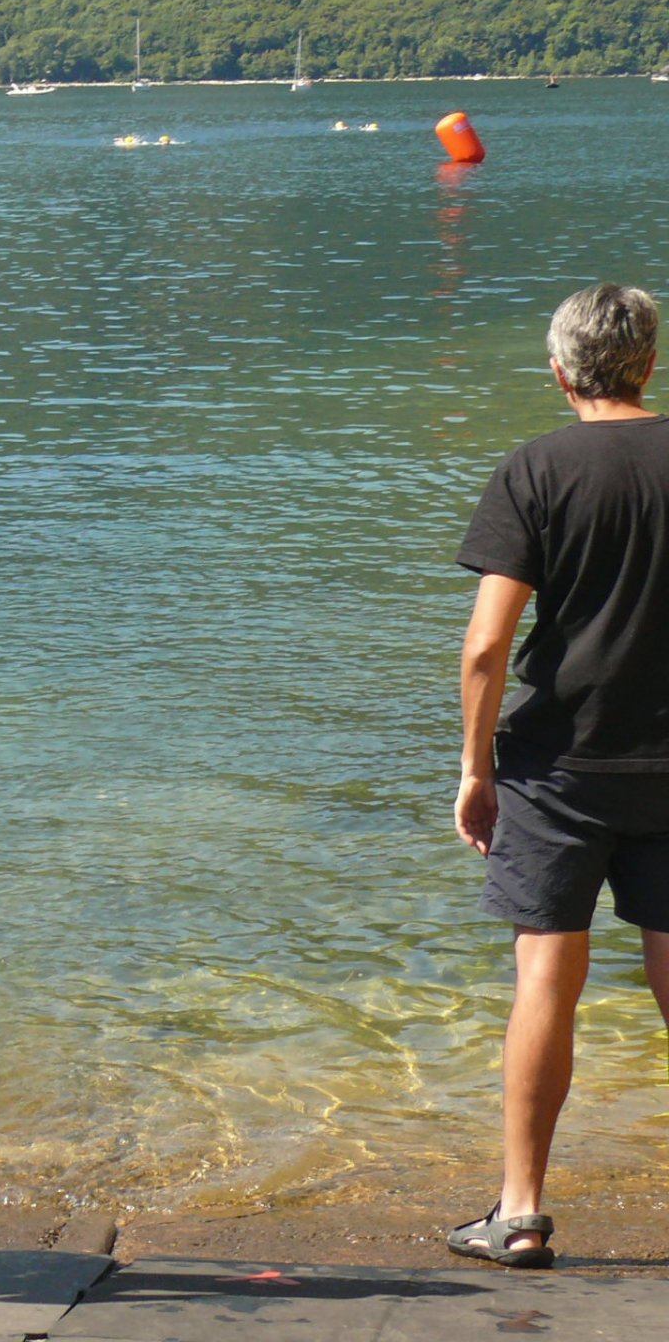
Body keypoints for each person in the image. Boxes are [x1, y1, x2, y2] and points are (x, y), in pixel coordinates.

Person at [449, 283, 669, 1270]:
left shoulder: (535, 470)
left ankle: (522, 1213)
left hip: (560, 768)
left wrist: (475, 768)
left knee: (547, 977)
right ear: (649, 364)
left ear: (559, 368)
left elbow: (487, 648)